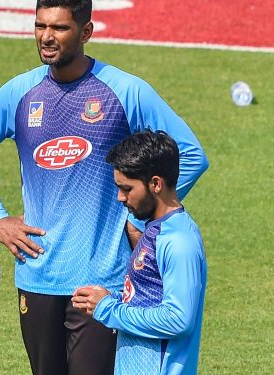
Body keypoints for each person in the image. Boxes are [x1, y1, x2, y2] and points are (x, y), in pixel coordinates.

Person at [0, 0, 209, 373]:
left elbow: (191, 154)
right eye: (40, 26)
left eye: (59, 28)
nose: (46, 37)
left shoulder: (124, 90)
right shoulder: (19, 93)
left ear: (86, 32)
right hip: (37, 274)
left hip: (100, 279)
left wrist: (144, 224)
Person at [72, 130, 207, 375]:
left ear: (155, 184)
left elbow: (178, 319)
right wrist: (107, 299)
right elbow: (149, 297)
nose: (120, 197)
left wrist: (108, 310)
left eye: (127, 188)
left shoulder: (179, 241)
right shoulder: (155, 229)